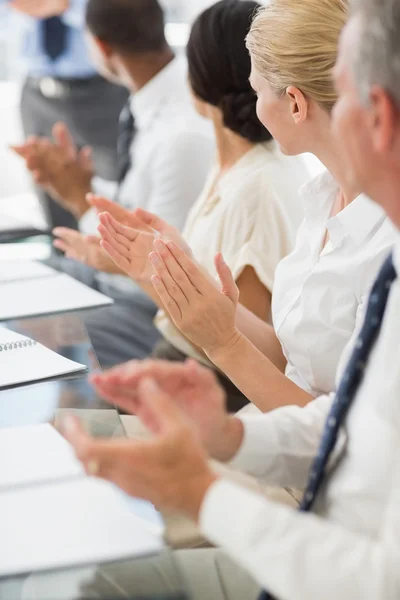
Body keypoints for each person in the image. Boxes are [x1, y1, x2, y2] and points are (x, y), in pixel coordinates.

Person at [57, 0, 400, 596]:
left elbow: (341, 452)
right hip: (290, 460)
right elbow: (340, 412)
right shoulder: (321, 200)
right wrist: (181, 283)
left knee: (88, 558)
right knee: (67, 440)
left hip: (313, 510)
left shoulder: (370, 233)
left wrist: (222, 352)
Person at [95, 0, 397, 412]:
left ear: (295, 103)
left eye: (257, 91)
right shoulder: (322, 200)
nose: (253, 106)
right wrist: (184, 273)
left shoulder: (381, 238)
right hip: (275, 436)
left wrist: (224, 344)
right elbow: (293, 360)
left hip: (308, 460)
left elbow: (336, 432)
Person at [91, 0, 309, 412]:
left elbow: (238, 349)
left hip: (213, 385)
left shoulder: (259, 185)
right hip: (184, 354)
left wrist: (152, 272)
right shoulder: (229, 163)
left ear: (201, 76)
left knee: (81, 389)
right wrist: (144, 260)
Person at [13, 0, 214, 369]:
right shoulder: (149, 100)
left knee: (39, 339)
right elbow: (139, 206)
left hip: (149, 308)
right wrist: (81, 184)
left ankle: (81, 418)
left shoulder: (181, 134)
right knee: (18, 288)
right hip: (117, 284)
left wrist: (81, 201)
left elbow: (155, 267)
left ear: (100, 47)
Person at [3, 0, 127, 229]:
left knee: (116, 186)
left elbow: (122, 15)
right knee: (49, 181)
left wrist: (67, 6)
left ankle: (113, 259)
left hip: (100, 89)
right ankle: (64, 258)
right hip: (37, 90)